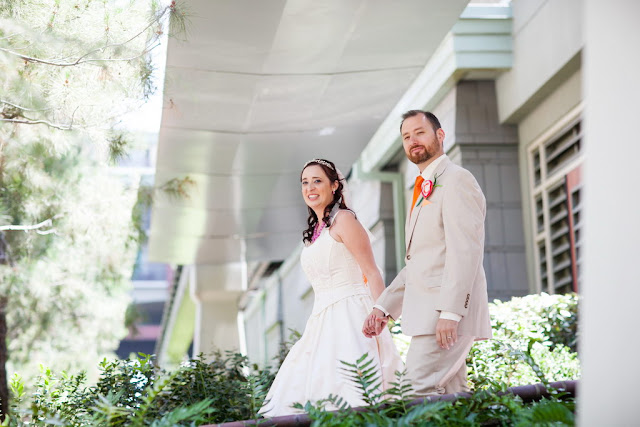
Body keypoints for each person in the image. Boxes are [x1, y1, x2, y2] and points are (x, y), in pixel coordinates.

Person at [259, 158, 403, 417]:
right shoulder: (314, 233)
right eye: (305, 182)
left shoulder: (344, 220)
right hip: (321, 320)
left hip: (352, 316)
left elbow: (371, 270)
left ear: (335, 186)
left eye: (317, 181)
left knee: (352, 390)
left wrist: (380, 310)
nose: (310, 187)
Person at [363, 110, 491, 396]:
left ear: (440, 135)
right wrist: (384, 307)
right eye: (406, 136)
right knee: (453, 402)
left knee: (413, 393)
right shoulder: (422, 189)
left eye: (419, 132)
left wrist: (451, 312)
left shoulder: (457, 180)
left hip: (445, 315)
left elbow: (465, 251)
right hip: (431, 314)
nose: (412, 141)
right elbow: (420, 262)